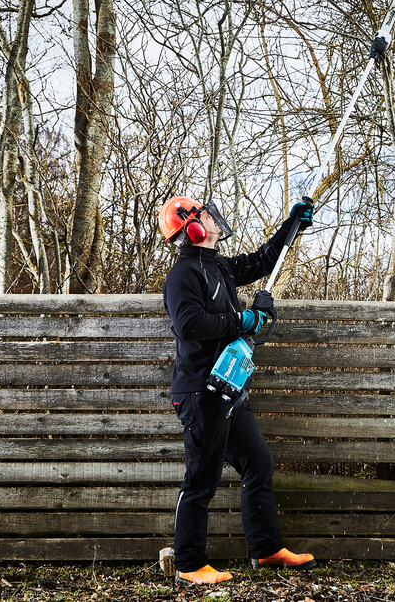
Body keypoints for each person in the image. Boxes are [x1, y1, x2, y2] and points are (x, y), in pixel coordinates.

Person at [158, 195, 316, 586]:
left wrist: (291, 226)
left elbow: (264, 261)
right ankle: (189, 564)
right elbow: (190, 324)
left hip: (230, 388)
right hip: (201, 392)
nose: (214, 217)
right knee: (201, 478)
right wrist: (240, 318)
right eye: (204, 214)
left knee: (257, 463)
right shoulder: (183, 275)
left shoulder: (221, 268)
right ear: (191, 228)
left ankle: (266, 549)